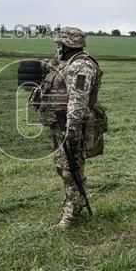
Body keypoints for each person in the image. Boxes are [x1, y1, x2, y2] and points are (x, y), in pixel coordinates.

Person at [36, 27, 103, 228]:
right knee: (62, 167)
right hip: (59, 124)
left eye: (60, 44)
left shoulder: (80, 67)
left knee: (71, 170)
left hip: (70, 126)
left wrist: (71, 128)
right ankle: (74, 204)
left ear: (68, 45)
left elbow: (78, 100)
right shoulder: (68, 64)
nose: (58, 48)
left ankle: (72, 215)